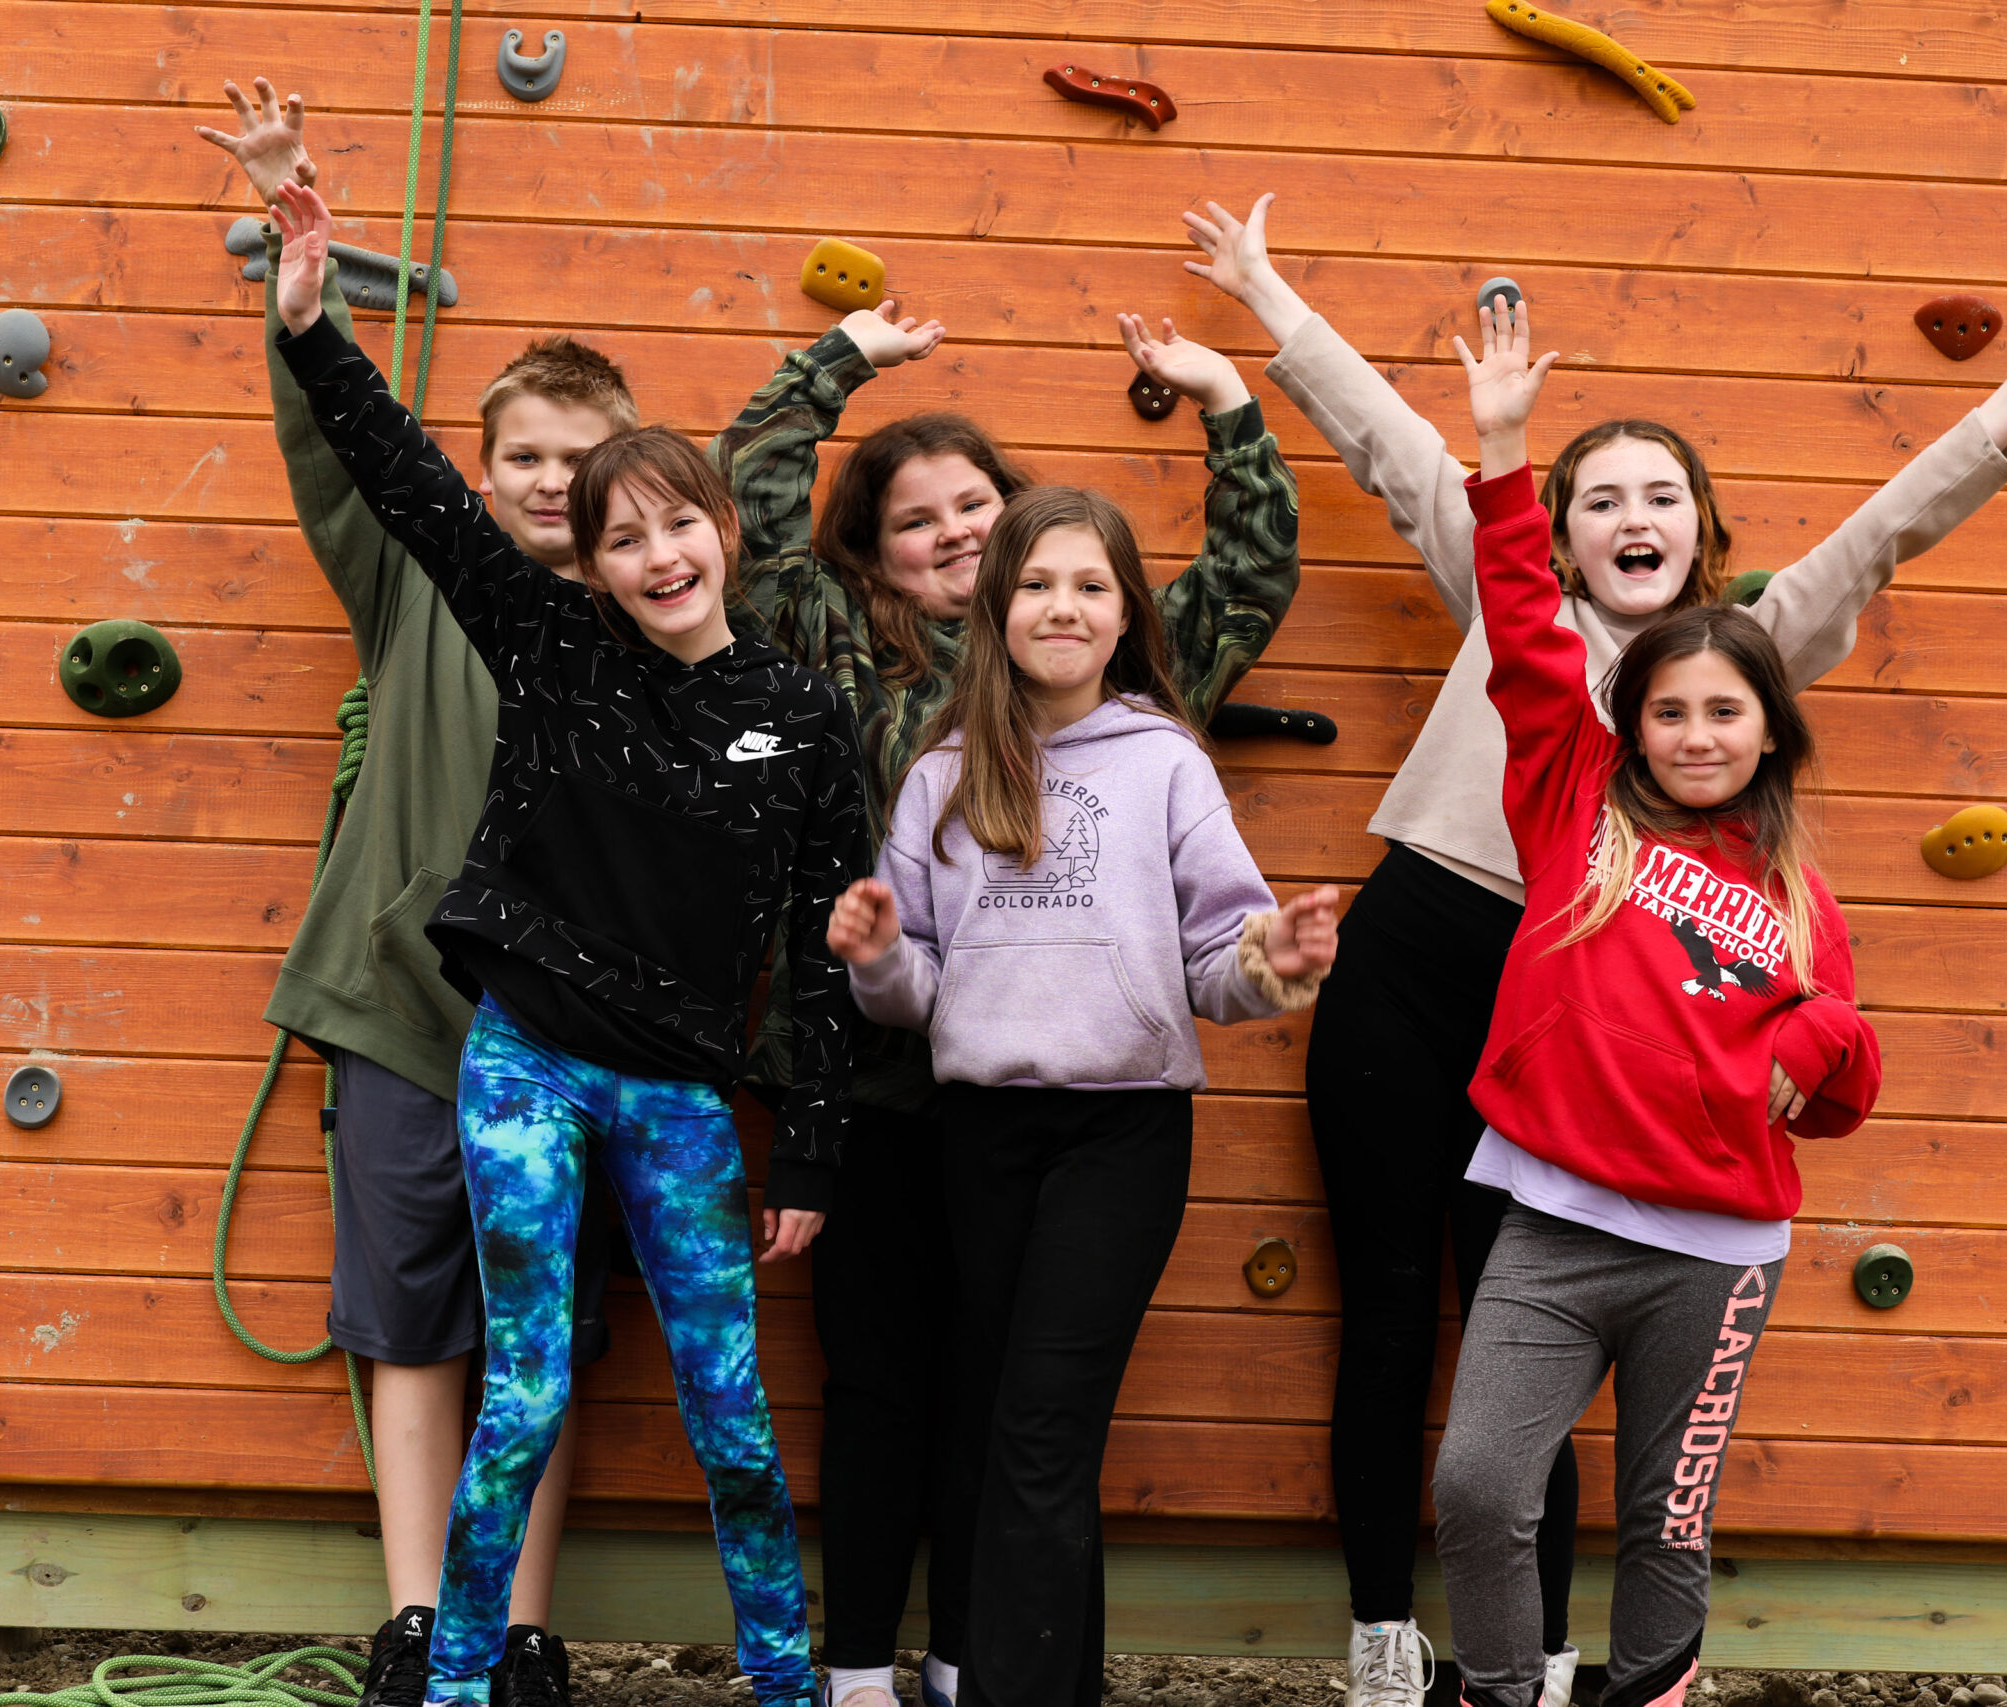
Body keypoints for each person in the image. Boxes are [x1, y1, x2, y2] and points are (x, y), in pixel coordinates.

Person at [1177, 192, 2007, 1707]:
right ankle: (1387, 1636)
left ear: (1703, 527)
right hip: (1426, 952)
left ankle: (1560, 1654)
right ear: (1559, 525)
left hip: (1594, 1010)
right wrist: (1263, 293)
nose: (1631, 517)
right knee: (1388, 1304)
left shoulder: (1739, 660)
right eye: (1599, 496)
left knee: (1535, 1317)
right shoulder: (1511, 609)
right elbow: (1388, 439)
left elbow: (1879, 531)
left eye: (1661, 495)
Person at [267, 179, 866, 1707]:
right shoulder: (547, 647)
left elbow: (813, 945)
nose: (658, 554)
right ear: (586, 563)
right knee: (520, 1386)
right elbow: (403, 478)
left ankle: (785, 1684)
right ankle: (460, 1677)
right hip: (525, 1061)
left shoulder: (803, 715)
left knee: (730, 1410)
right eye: (624, 537)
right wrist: (308, 318)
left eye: (680, 523)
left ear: (724, 530)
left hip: (674, 1090)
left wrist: (805, 1149)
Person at [710, 307, 1303, 1707]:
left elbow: (1247, 572)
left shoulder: (1131, 695)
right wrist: (833, 361)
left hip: (1065, 1092)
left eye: (978, 502)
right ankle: (860, 1667)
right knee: (885, 1387)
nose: (954, 530)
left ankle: (987, 1660)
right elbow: (753, 503)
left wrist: (1226, 404)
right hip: (878, 1077)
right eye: (915, 517)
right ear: (873, 550)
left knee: (1015, 1406)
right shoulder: (837, 645)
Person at [198, 79, 635, 1707]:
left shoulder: (655, 623)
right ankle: (412, 1620)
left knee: (539, 1337)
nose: (543, 481)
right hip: (398, 1008)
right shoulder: (416, 574)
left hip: (567, 1037)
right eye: (520, 454)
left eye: (576, 461)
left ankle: (518, 1623)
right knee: (408, 1323)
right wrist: (297, 292)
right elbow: (338, 455)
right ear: (484, 463)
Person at [1431, 298, 1883, 1707]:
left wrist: (1811, 1037)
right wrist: (1503, 451)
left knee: (1667, 1524)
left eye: (1725, 712)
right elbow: (1519, 616)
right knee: (1478, 1483)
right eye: (1671, 711)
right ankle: (1503, 1690)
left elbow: (1850, 1079)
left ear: (1768, 728)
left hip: (1719, 1249)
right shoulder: (1570, 791)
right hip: (1556, 1221)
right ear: (1634, 722)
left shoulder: (1800, 886)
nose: (1695, 733)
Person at [827, 485, 1341, 1707]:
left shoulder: (1165, 761)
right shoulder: (941, 776)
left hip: (1123, 1130)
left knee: (1041, 1428)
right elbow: (915, 991)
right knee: (1010, 1424)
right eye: (1039, 583)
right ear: (995, 608)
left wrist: (1276, 964)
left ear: (1124, 618)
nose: (1062, 606)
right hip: (982, 1136)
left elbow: (1223, 959)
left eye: (1090, 586)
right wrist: (879, 956)